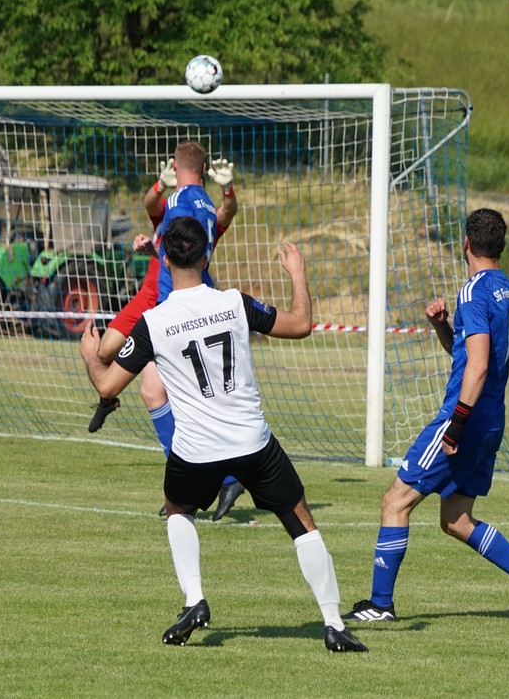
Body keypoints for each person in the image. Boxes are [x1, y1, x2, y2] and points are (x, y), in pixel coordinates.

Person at [80, 216, 368, 652]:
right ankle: (333, 624)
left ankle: (194, 600)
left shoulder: (154, 322)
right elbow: (300, 324)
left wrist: (90, 354)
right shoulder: (234, 303)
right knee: (300, 521)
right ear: (207, 257)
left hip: (196, 450)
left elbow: (107, 387)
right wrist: (298, 273)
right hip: (252, 443)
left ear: (164, 259)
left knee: (178, 509)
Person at [343, 208, 509, 626]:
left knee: (395, 501)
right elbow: (473, 354)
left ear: (466, 244)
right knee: (456, 520)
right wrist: (443, 328)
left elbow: (477, 367)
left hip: (464, 418)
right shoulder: (507, 290)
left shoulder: (473, 292)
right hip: (491, 419)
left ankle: (380, 604)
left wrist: (455, 426)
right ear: (501, 246)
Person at [88, 144, 246, 521]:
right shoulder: (205, 206)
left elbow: (174, 233)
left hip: (170, 305)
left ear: (176, 166)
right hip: (179, 300)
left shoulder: (180, 202)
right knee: (152, 384)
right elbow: (213, 220)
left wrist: (157, 245)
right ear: (204, 170)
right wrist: (226, 191)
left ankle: (203, 482)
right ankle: (203, 482)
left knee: (152, 388)